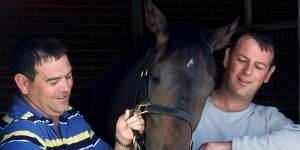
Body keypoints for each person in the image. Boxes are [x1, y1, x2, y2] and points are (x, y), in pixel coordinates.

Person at [0, 35, 144, 150]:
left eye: (68, 77)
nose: (66, 88)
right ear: (23, 83)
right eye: (53, 81)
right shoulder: (20, 135)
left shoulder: (72, 116)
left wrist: (123, 142)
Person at [192, 30, 300, 150]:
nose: (248, 71)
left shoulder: (268, 119)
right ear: (227, 57)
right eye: (242, 60)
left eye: (258, 67)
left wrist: (232, 147)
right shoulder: (190, 108)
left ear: (268, 74)